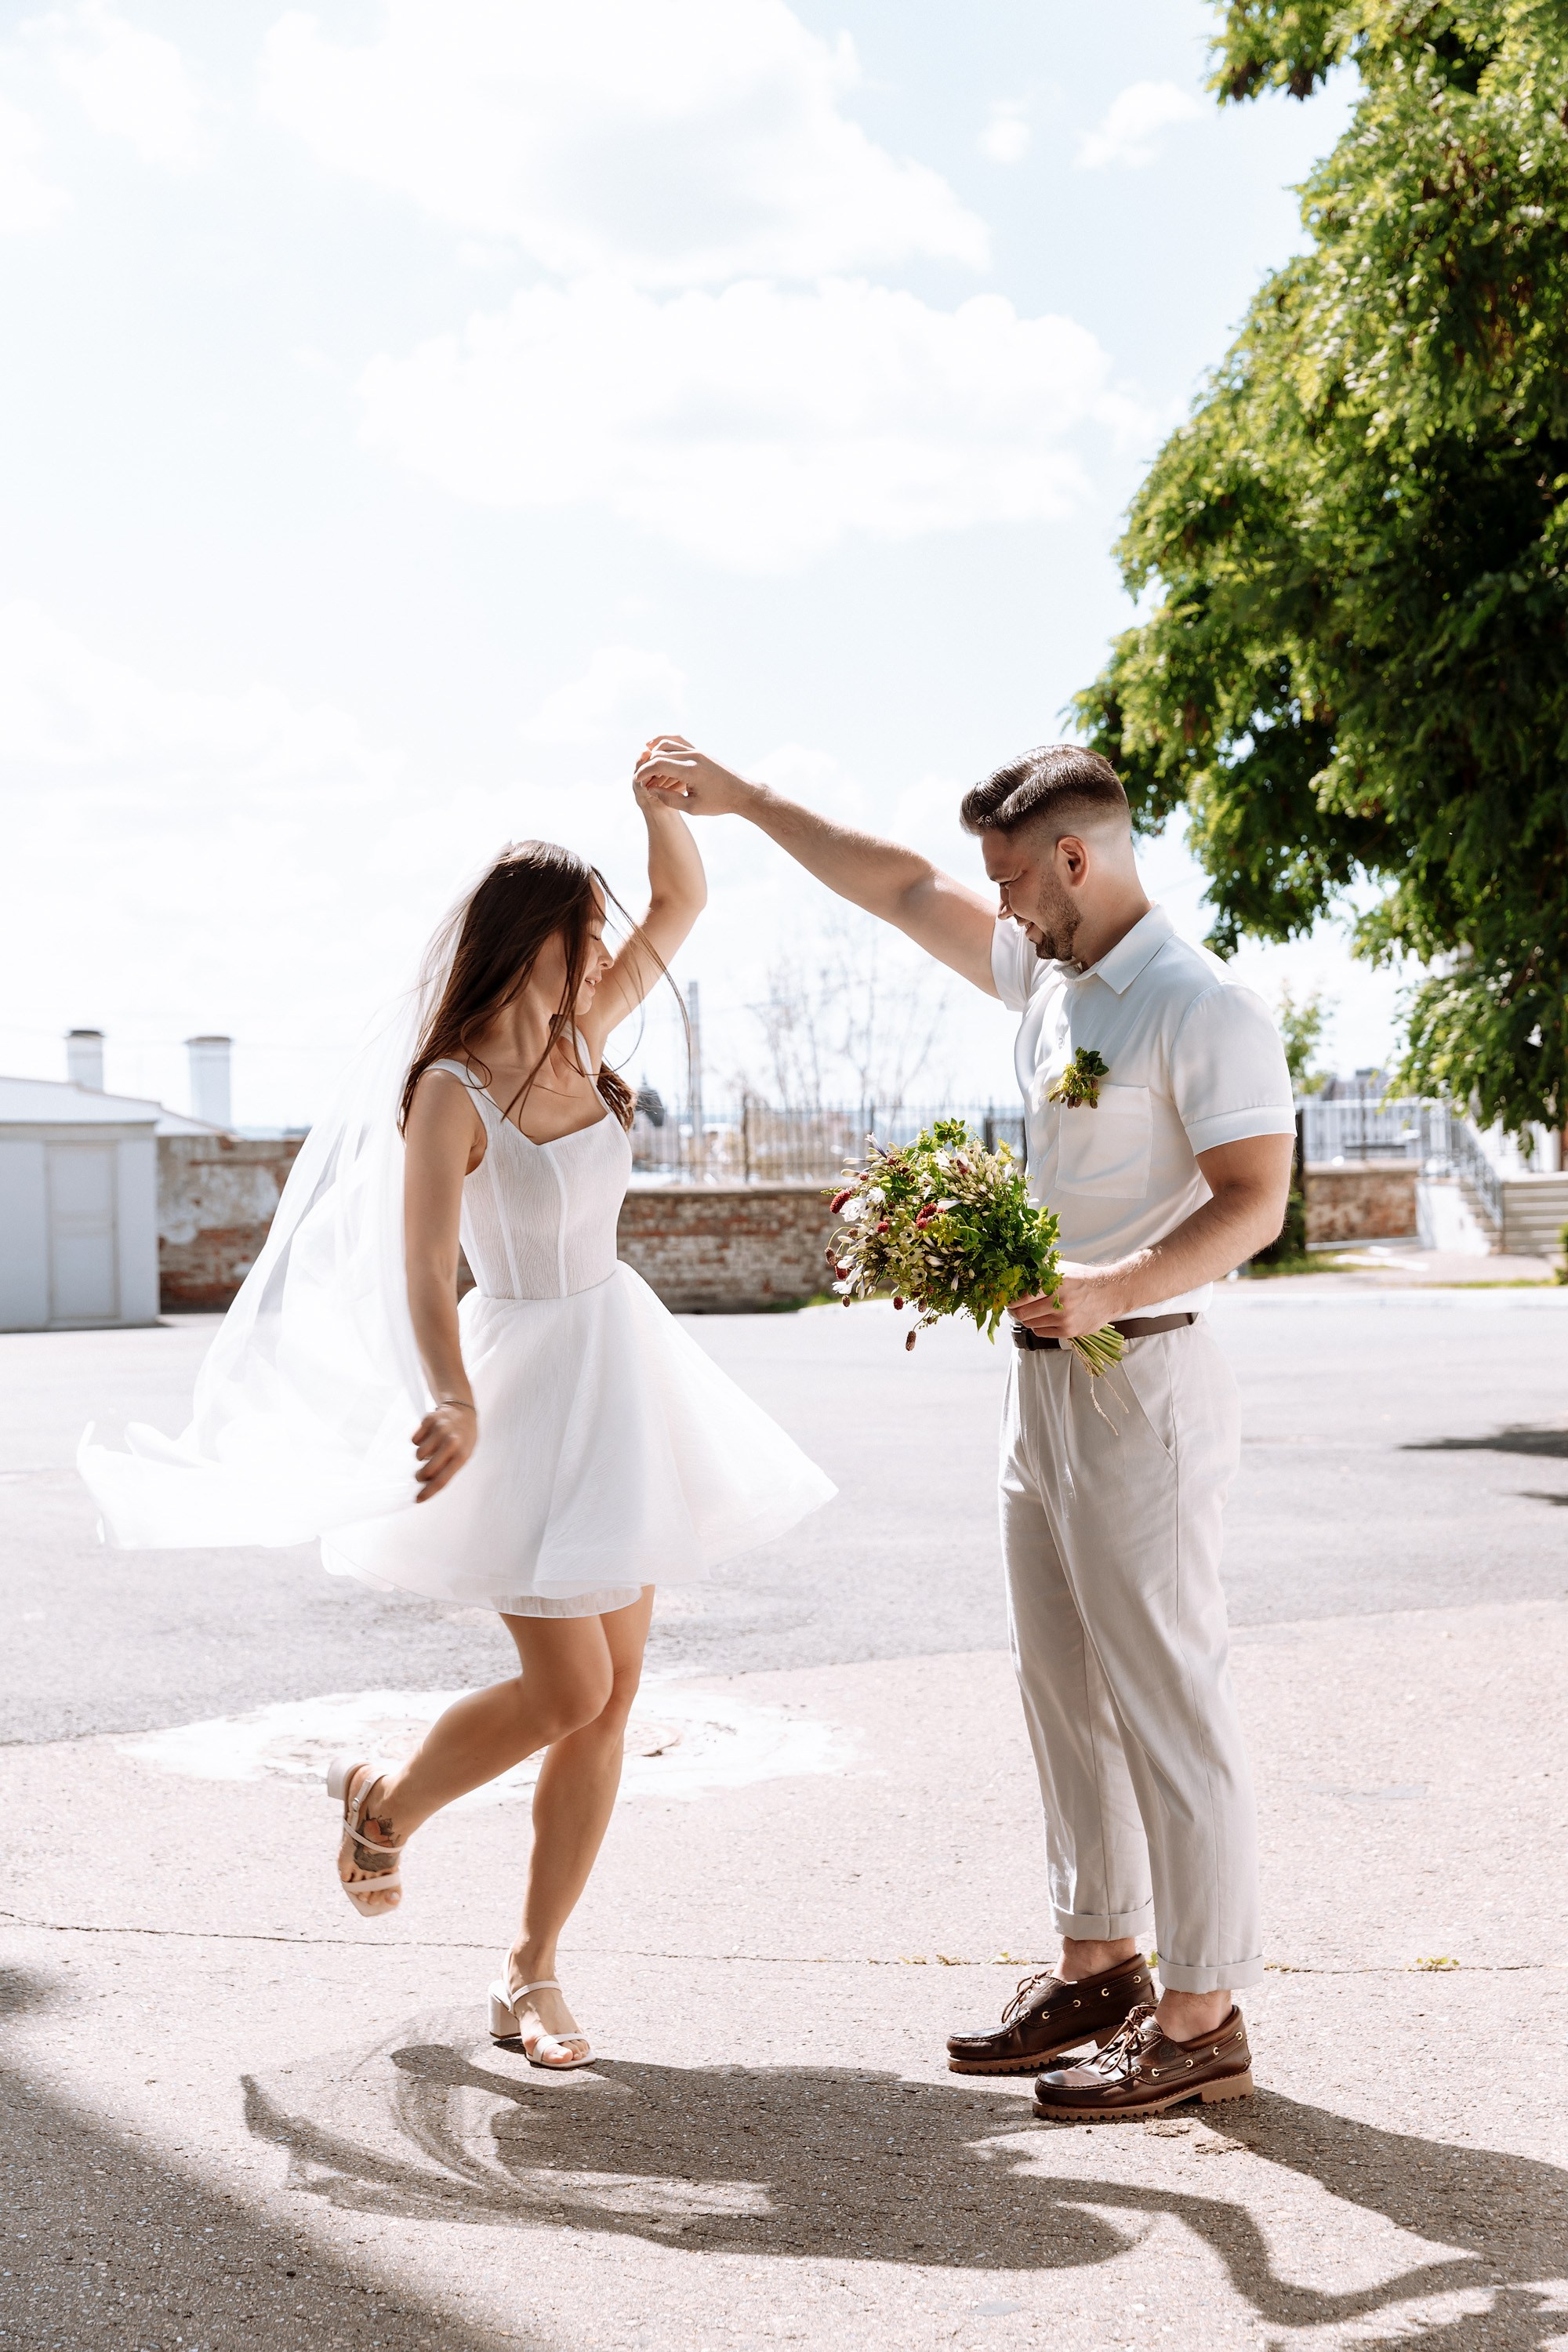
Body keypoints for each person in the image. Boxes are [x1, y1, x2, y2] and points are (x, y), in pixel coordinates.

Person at [80, 783, 835, 2071]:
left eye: (603, 932)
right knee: (572, 1683)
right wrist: (450, 1393)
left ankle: (532, 1973)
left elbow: (687, 898)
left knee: (612, 1702)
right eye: (582, 929)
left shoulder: (582, 1034)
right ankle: (394, 1799)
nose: (604, 951)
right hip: (526, 1383)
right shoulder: (451, 1090)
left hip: (626, 1371)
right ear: (525, 936)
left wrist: (662, 802)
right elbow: (426, 1270)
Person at [633, 734, 1294, 2120]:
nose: (995, 905)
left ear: (1076, 858)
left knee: (1168, 1697)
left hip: (1145, 1377)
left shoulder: (1199, 1004)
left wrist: (1110, 1285)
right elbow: (894, 887)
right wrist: (749, 804)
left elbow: (1254, 1199)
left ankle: (1202, 2014)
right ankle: (1101, 1958)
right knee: (1060, 1688)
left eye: (1014, 880)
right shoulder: (1047, 982)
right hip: (1040, 1383)